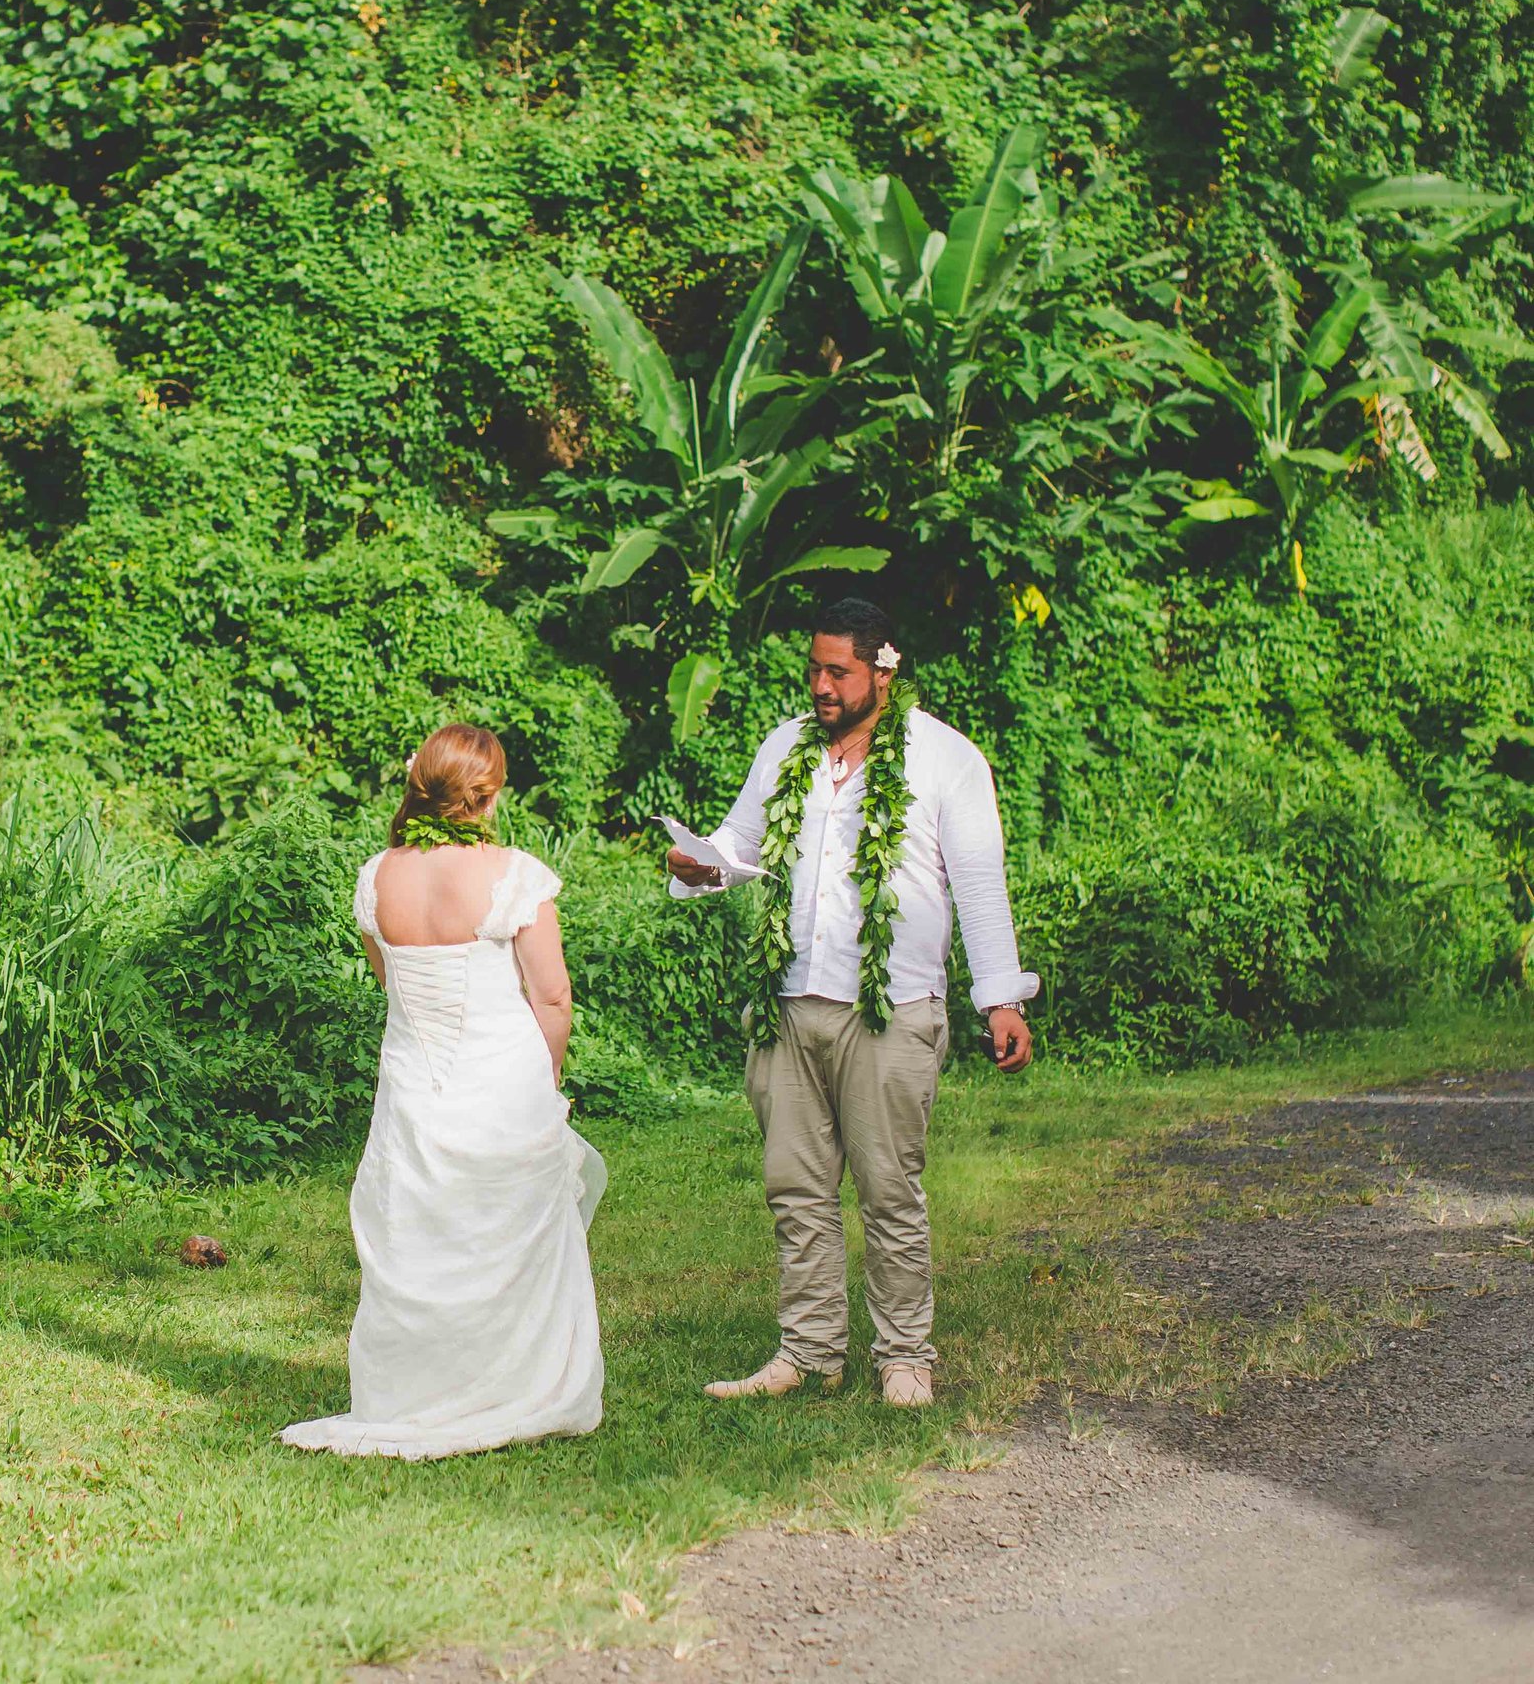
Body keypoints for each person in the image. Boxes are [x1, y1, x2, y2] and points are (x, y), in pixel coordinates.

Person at [667, 598, 1035, 1409]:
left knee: (888, 1188)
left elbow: (977, 881)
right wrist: (703, 866)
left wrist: (1000, 998)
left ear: (883, 670)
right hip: (789, 1000)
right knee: (795, 1187)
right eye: (815, 670)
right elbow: (743, 844)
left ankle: (905, 1355)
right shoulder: (786, 744)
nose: (823, 687)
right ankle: (810, 1351)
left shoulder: (946, 759)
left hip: (892, 1006)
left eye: (840, 672)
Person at [279, 723, 606, 1459]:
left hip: (413, 1085)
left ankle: (418, 1393)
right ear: (486, 795)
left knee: (422, 1234)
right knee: (501, 1230)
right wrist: (547, 1079)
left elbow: (391, 981)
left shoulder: (377, 875)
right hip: (502, 1081)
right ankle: (518, 1386)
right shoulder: (513, 874)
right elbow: (552, 997)